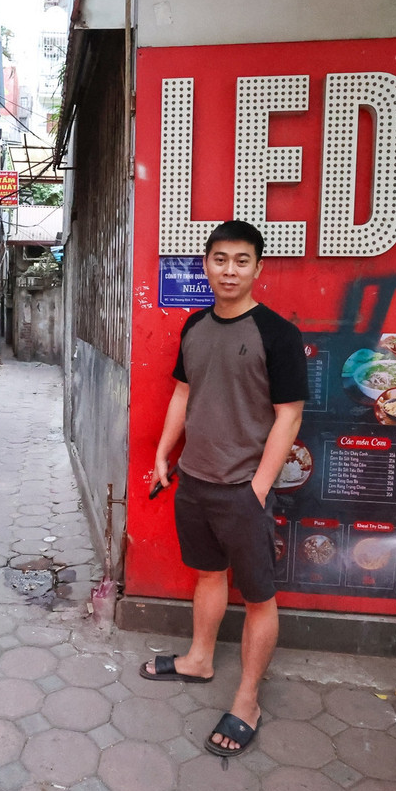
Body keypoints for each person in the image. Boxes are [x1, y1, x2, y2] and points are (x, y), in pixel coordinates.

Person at [142, 220, 307, 757]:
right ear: (206, 264)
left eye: (241, 260)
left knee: (259, 596)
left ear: (259, 268)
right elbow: (182, 394)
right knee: (207, 574)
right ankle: (199, 659)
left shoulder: (278, 333)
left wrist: (258, 487)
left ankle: (247, 699)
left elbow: (289, 417)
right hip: (194, 481)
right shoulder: (195, 324)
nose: (229, 270)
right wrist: (166, 453)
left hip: (243, 489)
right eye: (219, 259)